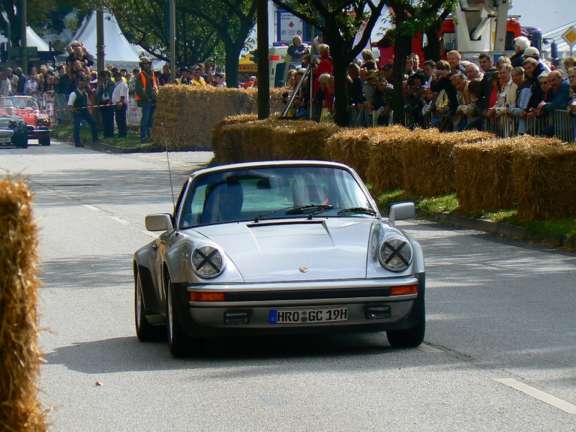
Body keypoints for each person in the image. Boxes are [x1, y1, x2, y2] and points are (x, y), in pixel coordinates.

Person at [135, 56, 159, 143]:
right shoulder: (140, 75)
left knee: (151, 120)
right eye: (145, 64)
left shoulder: (152, 74)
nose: (147, 65)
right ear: (142, 65)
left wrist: (156, 96)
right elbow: (139, 89)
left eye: (148, 63)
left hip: (153, 99)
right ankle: (143, 137)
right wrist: (147, 98)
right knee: (145, 119)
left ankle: (150, 136)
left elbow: (156, 86)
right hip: (145, 100)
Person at [68, 78, 98, 147]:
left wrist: (90, 110)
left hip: (85, 112)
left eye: (83, 84)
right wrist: (74, 111)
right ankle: (77, 142)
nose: (82, 85)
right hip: (77, 113)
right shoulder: (73, 94)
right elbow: (70, 106)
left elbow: (87, 103)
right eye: (80, 84)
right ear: (78, 84)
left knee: (93, 122)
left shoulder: (85, 93)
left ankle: (95, 139)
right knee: (77, 127)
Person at [96, 70, 115, 138]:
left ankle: (110, 134)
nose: (103, 78)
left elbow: (112, 93)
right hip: (102, 102)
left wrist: (110, 101)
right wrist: (99, 86)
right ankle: (106, 134)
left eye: (105, 76)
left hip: (109, 102)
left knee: (109, 119)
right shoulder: (101, 84)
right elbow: (97, 93)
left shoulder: (111, 83)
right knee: (104, 119)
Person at [112, 70, 129, 138]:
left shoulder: (122, 84)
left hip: (120, 104)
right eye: (115, 77)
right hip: (117, 103)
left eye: (116, 76)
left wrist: (120, 102)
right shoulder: (117, 84)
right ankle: (120, 133)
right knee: (118, 119)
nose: (115, 78)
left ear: (119, 77)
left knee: (121, 119)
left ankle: (123, 134)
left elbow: (122, 95)